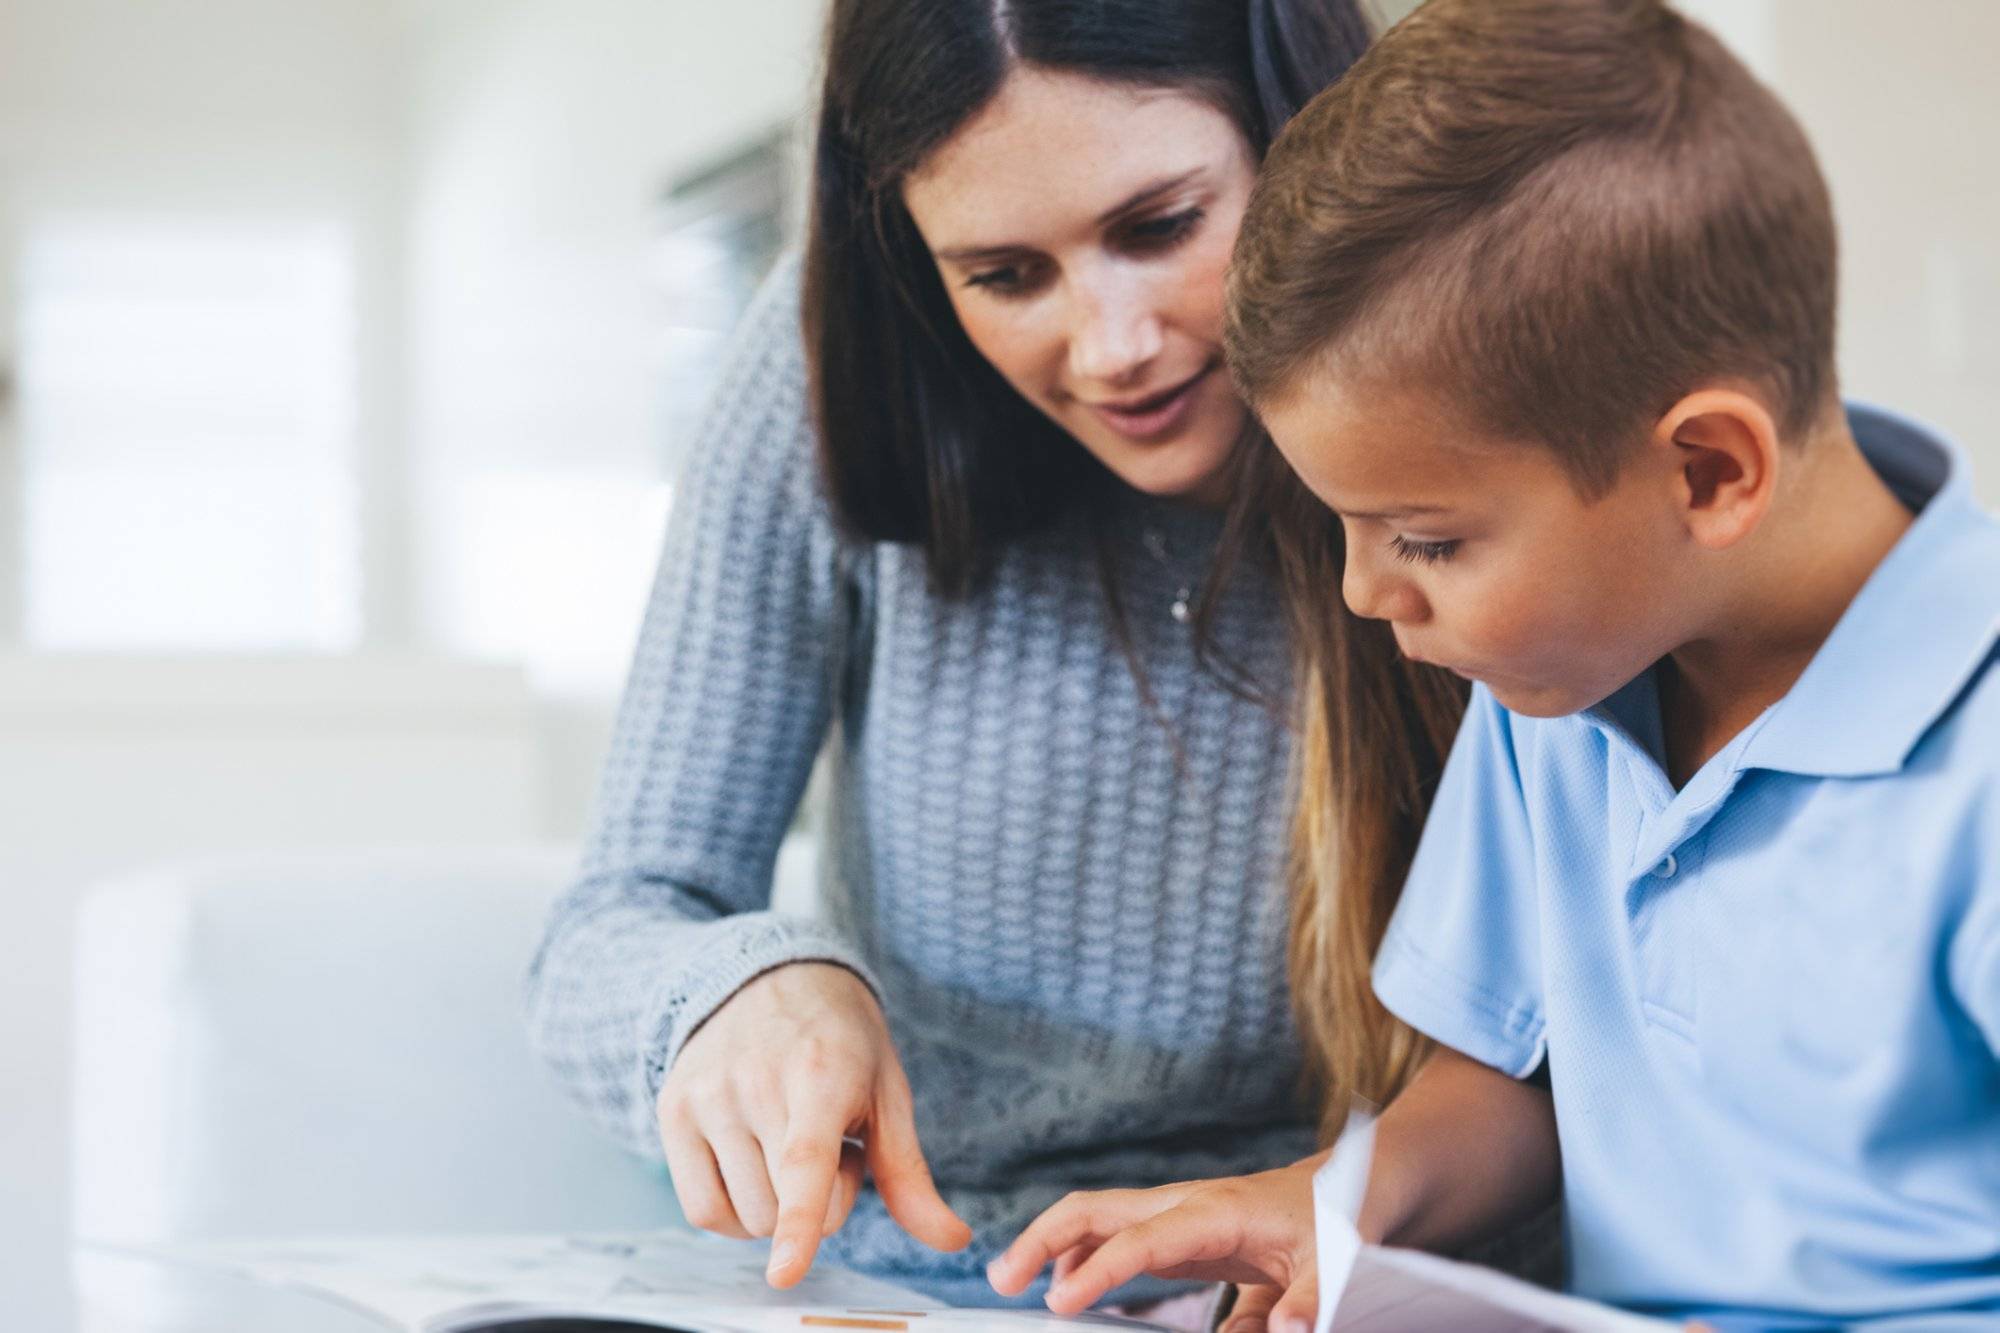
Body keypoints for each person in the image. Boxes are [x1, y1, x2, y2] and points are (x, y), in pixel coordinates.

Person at [986, 0, 2000, 1327]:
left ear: (1708, 471)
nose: (1362, 592)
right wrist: (1332, 1205)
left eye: (1425, 538)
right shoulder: (1563, 685)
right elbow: (1511, 1080)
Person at [524, 0, 1465, 1317]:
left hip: (1312, 1283)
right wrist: (737, 985)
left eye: (1160, 227)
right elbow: (609, 926)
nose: (1111, 345)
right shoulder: (815, 392)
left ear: (1296, 136)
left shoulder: (1481, 398)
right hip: (916, 1288)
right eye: (1005, 275)